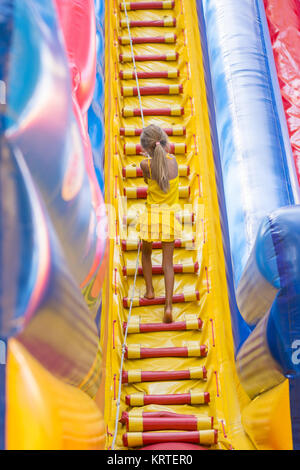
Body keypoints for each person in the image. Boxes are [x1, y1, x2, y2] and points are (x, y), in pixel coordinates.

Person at [136, 124, 182, 323]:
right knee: (168, 263)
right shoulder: (174, 162)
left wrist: (147, 158)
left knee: (146, 252)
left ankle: (149, 291)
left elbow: (148, 182)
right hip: (169, 217)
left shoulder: (145, 165)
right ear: (163, 141)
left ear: (147, 148)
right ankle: (169, 305)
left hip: (152, 215)